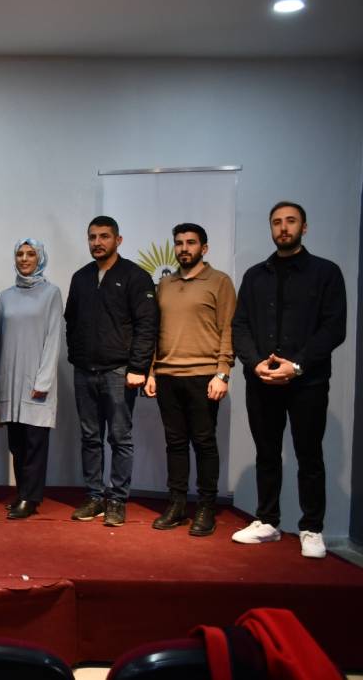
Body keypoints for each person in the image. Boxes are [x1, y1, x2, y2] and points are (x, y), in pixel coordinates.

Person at [231, 202, 346, 559]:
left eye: (291, 221)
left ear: (304, 227)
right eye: (277, 222)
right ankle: (267, 521)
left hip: (307, 382)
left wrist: (296, 366)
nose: (283, 227)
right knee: (266, 453)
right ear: (271, 228)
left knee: (309, 456)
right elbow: (240, 326)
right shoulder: (254, 276)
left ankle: (312, 528)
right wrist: (255, 364)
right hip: (261, 380)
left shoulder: (326, 272)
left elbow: (334, 328)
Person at [65, 215, 158, 527]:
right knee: (90, 437)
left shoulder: (136, 276)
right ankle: (94, 496)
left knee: (120, 438)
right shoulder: (81, 277)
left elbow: (147, 326)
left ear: (118, 240)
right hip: (84, 370)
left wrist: (138, 367)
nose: (97, 242)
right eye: (92, 237)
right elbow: (71, 320)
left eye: (104, 236)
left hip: (119, 372)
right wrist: (77, 356)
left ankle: (117, 499)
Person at [144, 223, 236, 537]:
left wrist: (222, 372)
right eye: (179, 243)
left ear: (204, 248)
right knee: (175, 444)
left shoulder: (220, 282)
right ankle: (177, 504)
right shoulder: (165, 284)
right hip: (167, 375)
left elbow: (228, 329)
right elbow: (155, 330)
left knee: (204, 443)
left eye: (191, 243)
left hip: (204, 376)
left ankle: (206, 507)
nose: (184, 248)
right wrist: (152, 370)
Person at [0, 238, 62, 520]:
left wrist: (43, 381)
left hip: (36, 381)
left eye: (30, 254)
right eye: (20, 254)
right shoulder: (4, 297)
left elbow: (54, 337)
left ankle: (30, 498)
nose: (24, 259)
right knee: (17, 443)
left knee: (35, 442)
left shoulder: (51, 293)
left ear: (40, 258)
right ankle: (22, 492)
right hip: (9, 380)